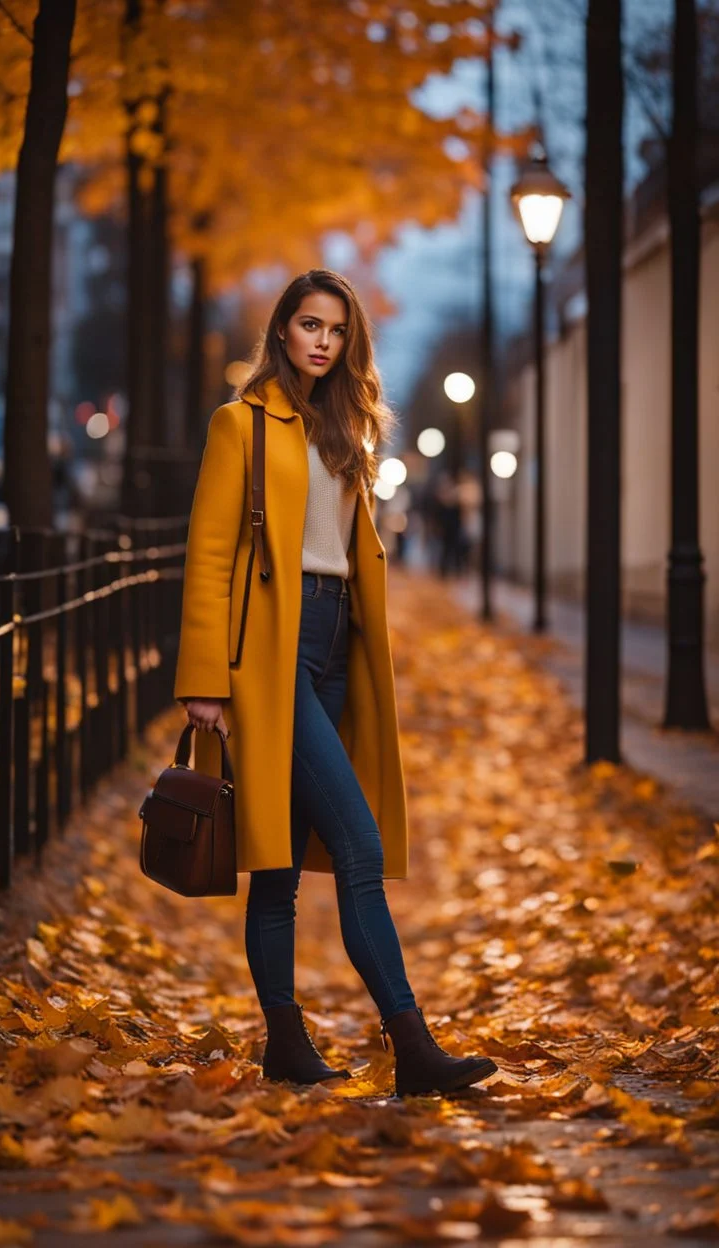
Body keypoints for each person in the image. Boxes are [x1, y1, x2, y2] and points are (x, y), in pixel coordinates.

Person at [173, 269, 497, 1098]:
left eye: (337, 329)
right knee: (358, 845)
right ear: (281, 330)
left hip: (331, 644)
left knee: (280, 863)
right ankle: (413, 1046)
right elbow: (210, 556)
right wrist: (204, 679)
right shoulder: (238, 423)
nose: (322, 340)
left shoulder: (347, 431)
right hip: (269, 653)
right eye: (308, 324)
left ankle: (284, 1042)